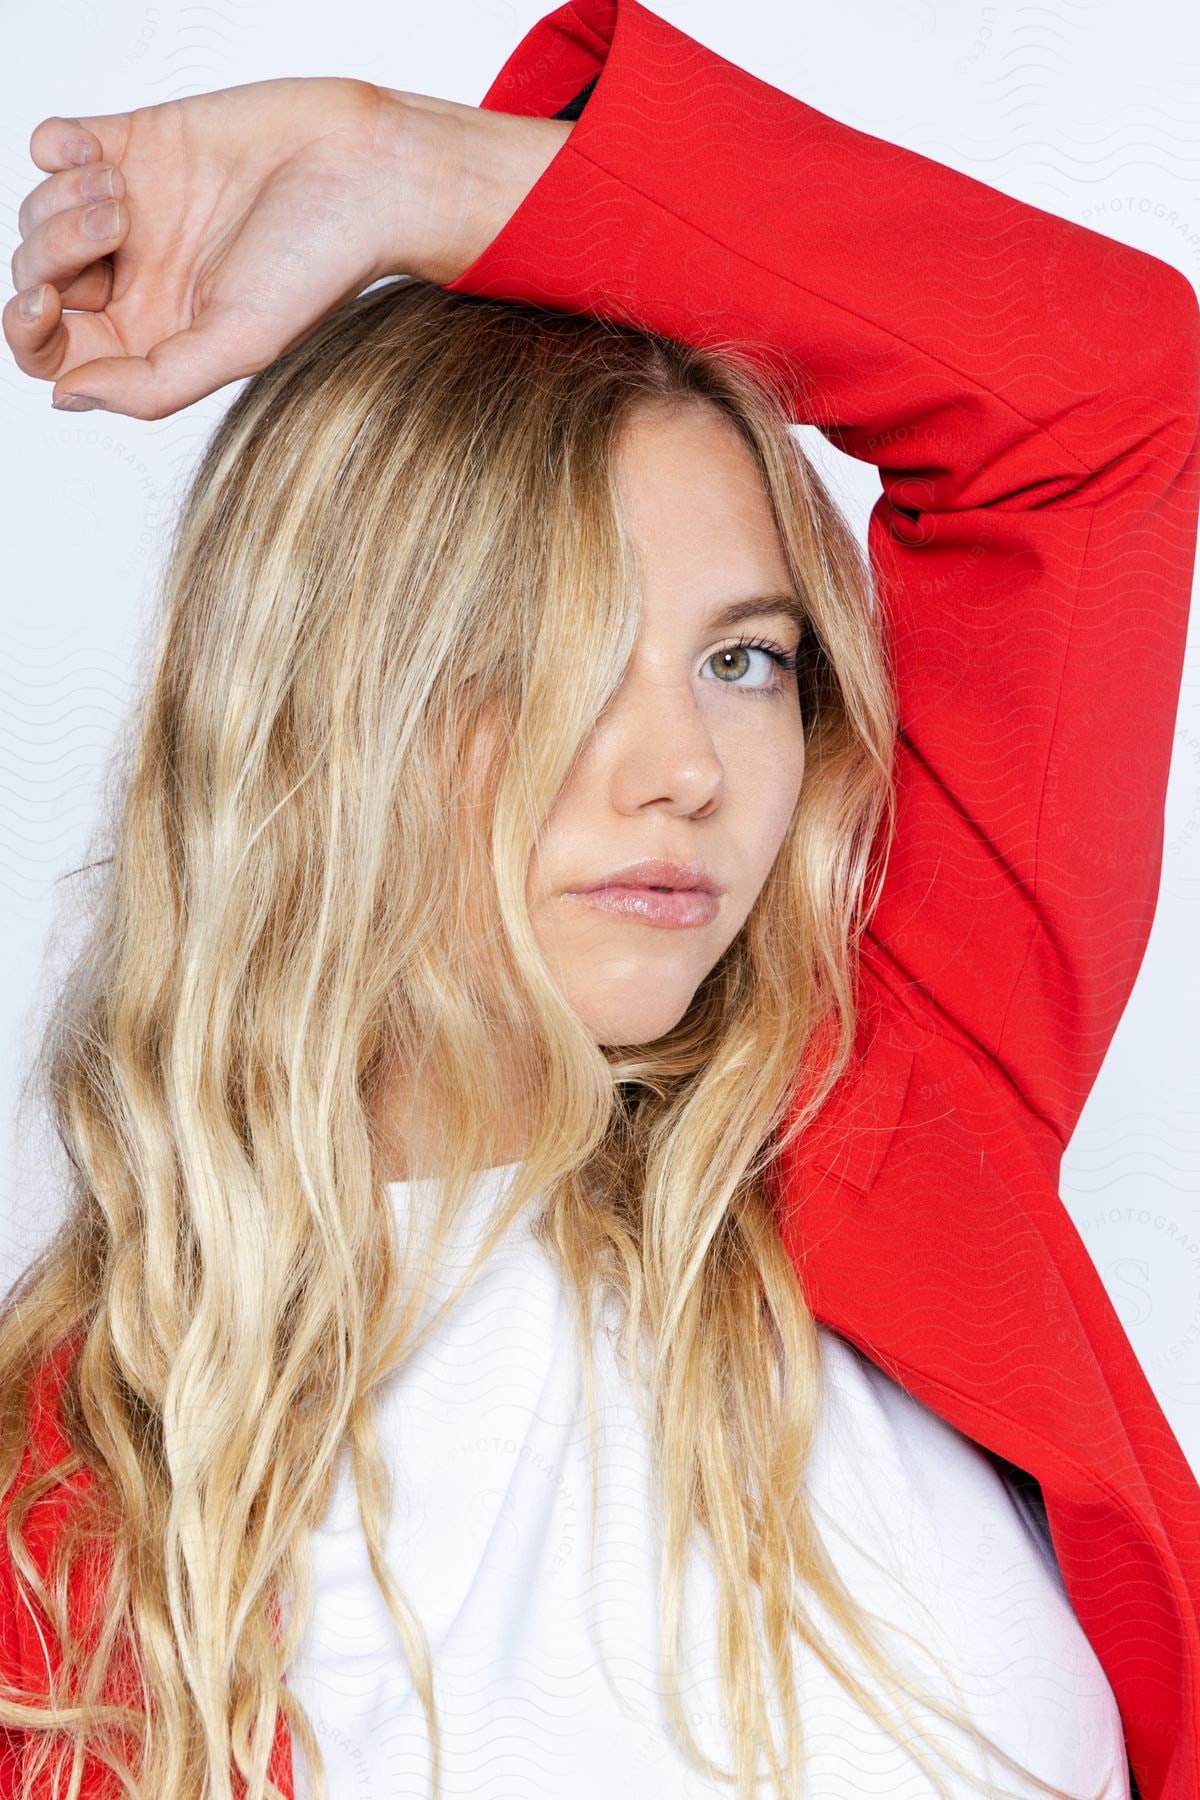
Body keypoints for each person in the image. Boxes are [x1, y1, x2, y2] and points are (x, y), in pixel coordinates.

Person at [2, 2, 1198, 1797]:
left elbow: (1097, 398)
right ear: (322, 717)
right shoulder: (64, 1515)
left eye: (741, 658)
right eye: (556, 656)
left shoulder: (890, 1103)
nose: (688, 772)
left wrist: (412, 172)